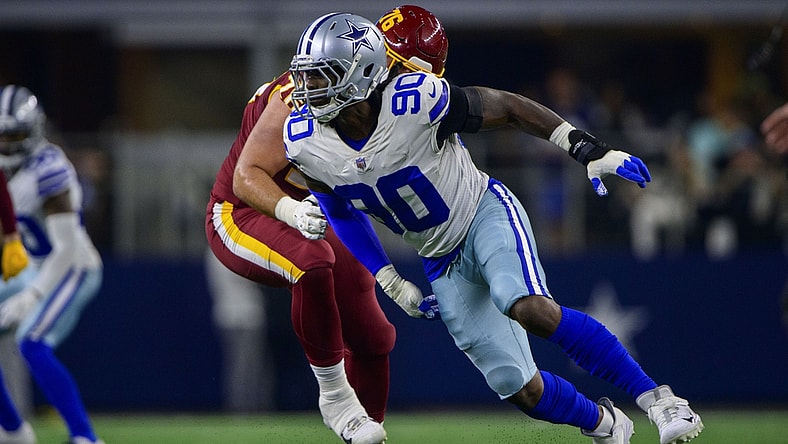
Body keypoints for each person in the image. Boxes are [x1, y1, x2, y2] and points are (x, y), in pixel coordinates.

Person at [282, 12, 705, 444]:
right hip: (438, 258)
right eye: (308, 77)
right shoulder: (304, 140)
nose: (309, 88)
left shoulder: (415, 99)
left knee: (525, 305)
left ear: (363, 74)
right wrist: (385, 275)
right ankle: (606, 425)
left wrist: (583, 147)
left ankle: (661, 400)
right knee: (521, 389)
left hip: (482, 213)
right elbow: (337, 203)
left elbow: (506, 107)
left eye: (322, 76)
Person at [205, 5, 444, 443]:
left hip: (312, 211)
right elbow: (246, 176)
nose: (309, 87)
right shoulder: (295, 98)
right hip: (243, 211)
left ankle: (368, 431)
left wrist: (387, 277)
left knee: (375, 335)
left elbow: (340, 201)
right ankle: (335, 398)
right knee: (313, 261)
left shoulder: (379, 107)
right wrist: (292, 212)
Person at [0, 85, 104, 444]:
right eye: (1, 136)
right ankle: (13, 432)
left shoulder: (49, 169)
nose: (7, 146)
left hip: (73, 264)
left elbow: (66, 247)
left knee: (31, 340)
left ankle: (85, 438)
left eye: (14, 135)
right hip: (30, 266)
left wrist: (31, 296)